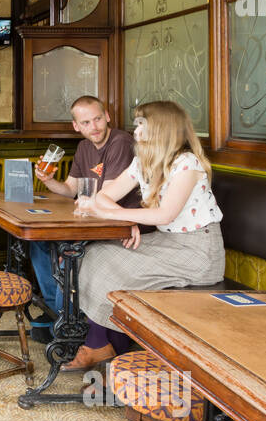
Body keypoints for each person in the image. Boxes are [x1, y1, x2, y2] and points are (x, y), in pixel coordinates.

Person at [62, 100, 225, 371]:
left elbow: (164, 215)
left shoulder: (187, 164)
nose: (135, 130)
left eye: (141, 124)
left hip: (197, 251)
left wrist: (118, 217)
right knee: (94, 253)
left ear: (161, 129)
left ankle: (105, 346)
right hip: (167, 243)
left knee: (108, 262)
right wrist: (126, 219)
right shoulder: (143, 161)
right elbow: (103, 196)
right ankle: (105, 345)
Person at [28, 96, 139, 323]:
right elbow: (71, 189)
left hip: (116, 225)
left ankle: (65, 322)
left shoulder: (120, 142)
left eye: (98, 119)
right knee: (37, 242)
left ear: (107, 116)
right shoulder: (84, 146)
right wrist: (49, 180)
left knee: (68, 252)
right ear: (76, 126)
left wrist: (87, 202)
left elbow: (104, 197)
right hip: (92, 220)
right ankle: (54, 313)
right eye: (86, 123)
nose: (94, 127)